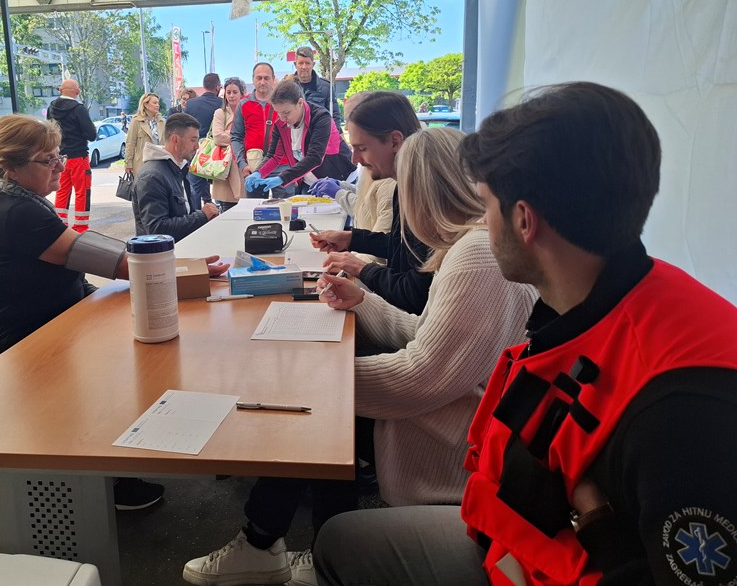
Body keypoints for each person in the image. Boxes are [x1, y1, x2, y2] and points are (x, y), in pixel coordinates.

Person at [313, 82, 737, 586]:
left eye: (484, 205)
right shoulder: (601, 298)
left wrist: (595, 522)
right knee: (343, 540)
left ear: (523, 221)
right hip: (515, 536)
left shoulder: (684, 405)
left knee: (338, 544)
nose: (479, 224)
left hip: (538, 560)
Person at [183, 128, 535, 586]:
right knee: (322, 404)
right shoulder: (467, 248)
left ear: (421, 192)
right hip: (454, 418)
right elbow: (427, 336)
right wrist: (362, 302)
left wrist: (313, 379)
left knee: (311, 412)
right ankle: (292, 548)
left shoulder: (475, 256)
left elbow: (421, 377)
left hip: (455, 444)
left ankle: (271, 545)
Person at [0, 114, 228, 510]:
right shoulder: (19, 212)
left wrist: (185, 268)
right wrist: (190, 271)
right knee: (136, 353)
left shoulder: (21, 201)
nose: (60, 166)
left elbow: (108, 256)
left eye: (58, 156)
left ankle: (125, 455)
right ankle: (105, 475)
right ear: (12, 167)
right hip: (29, 337)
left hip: (55, 318)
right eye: (47, 160)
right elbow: (116, 263)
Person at [310, 91, 431, 315]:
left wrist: (361, 268)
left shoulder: (426, 198)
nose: (354, 159)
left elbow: (414, 294)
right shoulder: (406, 186)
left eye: (362, 148)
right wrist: (351, 239)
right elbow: (401, 247)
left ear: (395, 141)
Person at [245, 78, 354, 198]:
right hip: (311, 182)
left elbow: (315, 157)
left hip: (340, 178)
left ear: (300, 103)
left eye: (286, 113)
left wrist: (282, 178)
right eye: (278, 113)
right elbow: (274, 156)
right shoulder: (280, 124)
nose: (282, 118)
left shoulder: (321, 118)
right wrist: (258, 173)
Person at [132, 113, 220, 242]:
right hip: (165, 253)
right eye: (193, 140)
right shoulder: (151, 177)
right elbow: (157, 230)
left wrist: (205, 217)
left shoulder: (178, 168)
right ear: (175, 140)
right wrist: (202, 216)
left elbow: (186, 213)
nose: (197, 146)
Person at [46, 79, 97, 233]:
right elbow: (91, 135)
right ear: (77, 91)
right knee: (82, 191)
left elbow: (49, 132)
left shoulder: (51, 108)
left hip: (60, 158)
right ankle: (80, 227)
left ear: (60, 90)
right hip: (78, 156)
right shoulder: (79, 109)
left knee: (62, 191)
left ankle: (60, 227)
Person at [293, 46, 352, 162]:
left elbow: (335, 116)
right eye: (301, 63)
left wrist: (336, 138)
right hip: (296, 144)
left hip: (320, 142)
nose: (304, 67)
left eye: (307, 63)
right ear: (295, 64)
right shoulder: (288, 87)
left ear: (313, 64)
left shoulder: (326, 87)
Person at [231, 62, 276, 199]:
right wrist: (242, 164)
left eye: (266, 78)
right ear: (253, 79)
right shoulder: (243, 104)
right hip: (253, 167)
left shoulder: (283, 102)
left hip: (281, 166)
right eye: (259, 78)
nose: (262, 82)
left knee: (285, 207)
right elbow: (236, 137)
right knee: (256, 208)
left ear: (273, 79)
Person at [185, 73, 222, 208]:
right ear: (217, 87)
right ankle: (220, 209)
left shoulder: (191, 104)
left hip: (195, 149)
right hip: (218, 151)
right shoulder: (223, 103)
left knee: (195, 185)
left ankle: (196, 213)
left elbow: (184, 126)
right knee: (220, 183)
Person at [210, 76, 246, 211]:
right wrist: (239, 138)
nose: (231, 96)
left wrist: (230, 135)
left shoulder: (247, 112)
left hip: (243, 164)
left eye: (235, 92)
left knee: (246, 207)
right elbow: (218, 137)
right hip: (225, 166)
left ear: (242, 93)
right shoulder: (220, 113)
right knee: (227, 207)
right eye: (228, 92)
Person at [124, 93, 164, 177]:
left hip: (159, 163)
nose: (157, 105)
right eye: (154, 103)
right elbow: (130, 143)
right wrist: (128, 163)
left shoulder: (162, 122)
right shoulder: (136, 121)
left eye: (158, 103)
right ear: (146, 104)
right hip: (142, 164)